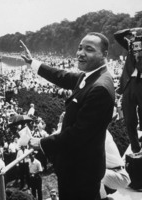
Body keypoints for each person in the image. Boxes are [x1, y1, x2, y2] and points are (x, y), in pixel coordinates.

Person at [20, 32, 115, 200]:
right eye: (79, 48)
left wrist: (42, 143)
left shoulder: (99, 87)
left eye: (89, 49)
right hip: (78, 167)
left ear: (104, 55)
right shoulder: (91, 76)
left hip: (81, 172)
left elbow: (78, 134)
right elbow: (61, 76)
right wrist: (32, 62)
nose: (80, 53)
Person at [114, 28, 142, 153]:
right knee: (129, 119)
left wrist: (139, 57)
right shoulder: (130, 46)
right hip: (128, 85)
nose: (137, 46)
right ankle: (135, 147)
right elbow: (117, 35)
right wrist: (130, 31)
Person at [99, 130, 131, 200]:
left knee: (91, 173)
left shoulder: (99, 133)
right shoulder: (99, 130)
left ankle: (103, 199)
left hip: (119, 175)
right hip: (112, 173)